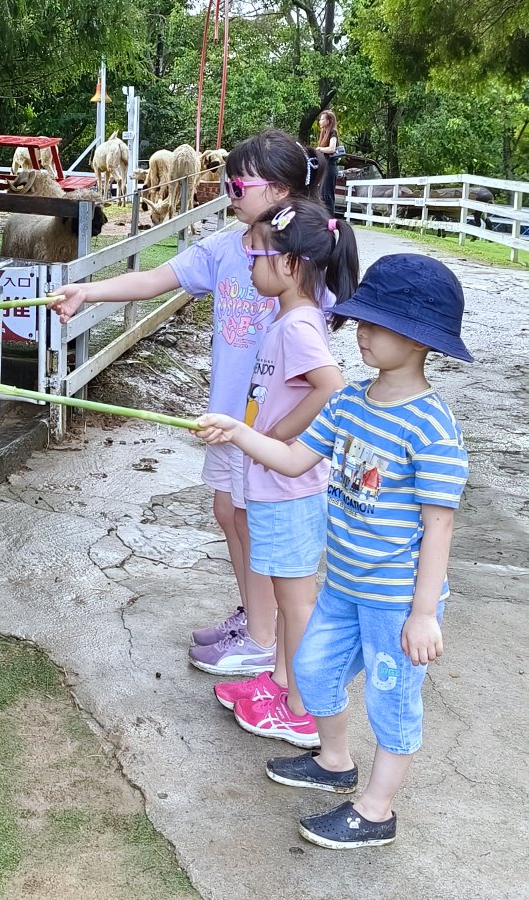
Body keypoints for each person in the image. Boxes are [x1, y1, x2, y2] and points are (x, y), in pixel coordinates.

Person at [195, 253, 471, 849]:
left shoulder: (431, 427)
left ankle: (376, 811)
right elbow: (295, 459)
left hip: (396, 598)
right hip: (344, 583)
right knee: (314, 672)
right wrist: (240, 432)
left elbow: (439, 526)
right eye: (360, 319)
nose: (359, 331)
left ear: (419, 340)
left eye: (375, 323)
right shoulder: (349, 404)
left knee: (392, 698)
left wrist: (424, 613)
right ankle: (334, 760)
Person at [49, 130, 326, 683]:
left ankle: (264, 638)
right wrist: (88, 290)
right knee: (229, 512)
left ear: (278, 192)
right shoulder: (227, 248)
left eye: (238, 182)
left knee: (256, 521)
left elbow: (324, 357)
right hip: (228, 416)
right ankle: (255, 617)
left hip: (267, 427)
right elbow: (156, 277)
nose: (228, 190)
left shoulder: (302, 260)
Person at [218, 199, 358, 749]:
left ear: (290, 265)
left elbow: (333, 386)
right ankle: (281, 683)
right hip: (275, 485)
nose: (250, 265)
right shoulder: (288, 320)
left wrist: (279, 436)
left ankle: (301, 709)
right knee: (282, 591)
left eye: (256, 255)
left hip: (290, 487)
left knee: (296, 601)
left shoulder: (299, 325)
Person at [315, 110, 340, 215]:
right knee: (321, 194)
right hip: (324, 167)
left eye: (322, 119)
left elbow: (332, 148)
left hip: (330, 168)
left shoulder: (333, 132)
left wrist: (320, 149)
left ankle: (330, 220)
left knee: (327, 194)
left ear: (329, 121)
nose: (320, 121)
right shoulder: (323, 133)